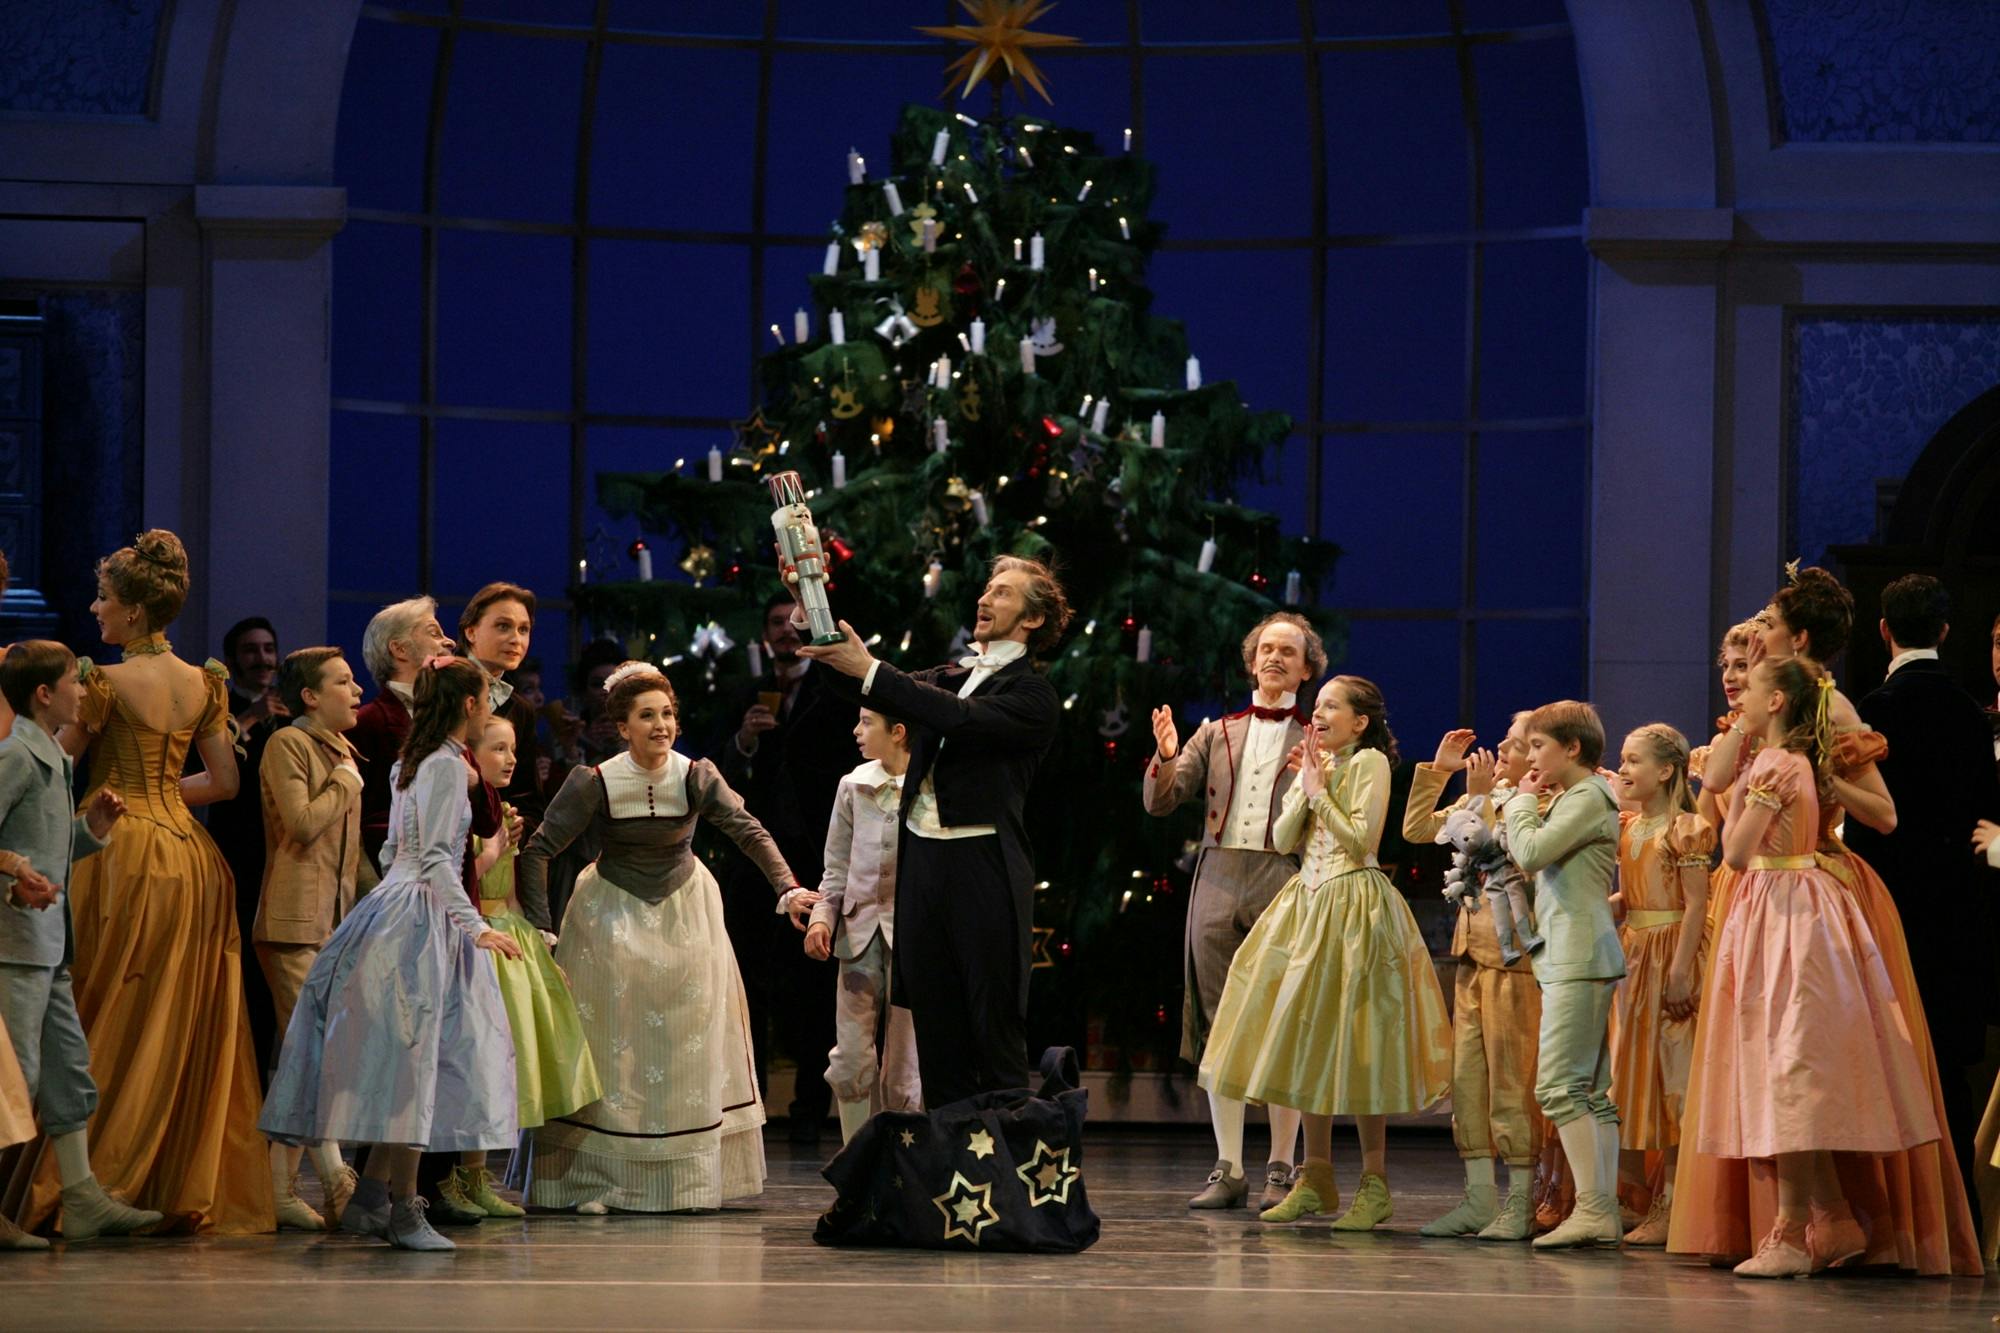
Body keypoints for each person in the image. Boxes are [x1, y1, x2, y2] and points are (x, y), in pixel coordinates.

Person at [14, 531, 273, 1236]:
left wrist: (115, 800)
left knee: (98, 1008)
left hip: (118, 852)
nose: (95, 609)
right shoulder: (205, 682)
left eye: (103, 598)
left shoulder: (102, 680)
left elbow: (55, 768)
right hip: (191, 860)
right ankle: (160, 1173)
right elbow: (223, 781)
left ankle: (82, 1175)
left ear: (130, 611)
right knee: (176, 1019)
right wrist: (161, 793)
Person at [258, 656, 523, 1252]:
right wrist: (473, 926)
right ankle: (406, 1208)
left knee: (411, 1060)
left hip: (399, 906)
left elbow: (392, 853)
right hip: (424, 915)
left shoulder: (413, 761)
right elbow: (433, 859)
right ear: (469, 707)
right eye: (487, 700)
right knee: (418, 1065)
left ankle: (371, 1196)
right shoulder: (446, 766)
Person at [517, 664, 800, 1213]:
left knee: (682, 1042)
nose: (662, 724)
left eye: (668, 713)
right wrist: (540, 927)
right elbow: (539, 850)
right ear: (622, 726)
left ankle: (686, 1182)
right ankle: (594, 1180)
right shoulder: (596, 781)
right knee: (610, 1044)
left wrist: (788, 889)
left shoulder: (695, 774)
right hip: (609, 916)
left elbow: (749, 831)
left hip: (684, 913)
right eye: (647, 715)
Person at [1693, 655, 1940, 1277]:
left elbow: (1737, 852)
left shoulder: (1776, 765)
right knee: (1789, 1063)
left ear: (1777, 701)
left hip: (1784, 912)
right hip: (1797, 905)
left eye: (1749, 688)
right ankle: (1828, 1220)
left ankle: (1791, 1235)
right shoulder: (1796, 761)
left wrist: (1748, 799)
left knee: (1789, 1066)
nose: (1739, 699)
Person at [799, 555, 1069, 1107]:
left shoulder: (1033, 695)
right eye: (986, 590)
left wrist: (873, 669)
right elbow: (858, 688)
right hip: (923, 867)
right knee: (937, 1032)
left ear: (1033, 618)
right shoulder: (949, 677)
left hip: (984, 867)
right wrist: (812, 604)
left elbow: (959, 719)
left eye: (1001, 594)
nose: (984, 600)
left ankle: (1006, 1172)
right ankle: (951, 1179)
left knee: (993, 1028)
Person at [1200, 675, 1451, 1232]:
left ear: (1360, 722)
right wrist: (1305, 784)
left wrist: (1319, 792)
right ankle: (1315, 1177)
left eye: (1331, 706)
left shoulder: (1369, 764)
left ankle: (1374, 1182)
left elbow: (1362, 840)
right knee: (1306, 1038)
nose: (1318, 714)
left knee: (1361, 1042)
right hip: (1306, 906)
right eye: (1318, 705)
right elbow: (1287, 839)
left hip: (1353, 906)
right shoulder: (1323, 763)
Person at [1144, 612, 1320, 1211]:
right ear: (1252, 663)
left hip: (1284, 874)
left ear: (1306, 668)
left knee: (1279, 1019)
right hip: (1218, 873)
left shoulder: (1319, 737)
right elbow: (1163, 801)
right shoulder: (1216, 732)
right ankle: (1228, 1166)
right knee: (1219, 1022)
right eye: (1266, 649)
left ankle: (1278, 1166)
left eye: (1287, 652)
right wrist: (1167, 756)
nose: (1275, 659)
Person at [1843, 574, 2000, 1222]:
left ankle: (1892, 1218)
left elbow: (1862, 827)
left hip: (1889, 911)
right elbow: (1984, 815)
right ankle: (1955, 1216)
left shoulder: (1871, 709)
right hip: (1960, 915)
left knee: (1888, 1062)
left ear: (1883, 630)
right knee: (1951, 1069)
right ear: (1944, 631)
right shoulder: (1970, 712)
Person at [0, 641, 160, 1250]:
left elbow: (50, 847)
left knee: (67, 1071)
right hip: (15, 945)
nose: (82, 691)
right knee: (13, 1080)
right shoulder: (17, 757)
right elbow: (16, 852)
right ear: (45, 694)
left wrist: (91, 831)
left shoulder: (54, 762)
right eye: (73, 681)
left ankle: (82, 1194)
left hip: (47, 946)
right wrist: (17, 872)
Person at [719, 594, 856, 1145]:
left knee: (813, 986)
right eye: (774, 623)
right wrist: (746, 741)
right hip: (755, 862)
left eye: (791, 624)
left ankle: (807, 1109)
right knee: (749, 979)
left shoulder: (832, 693)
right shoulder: (745, 695)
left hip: (815, 853)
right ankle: (746, 1105)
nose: (783, 632)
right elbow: (718, 773)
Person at [1404, 713, 1547, 1241]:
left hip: (1515, 961)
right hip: (1471, 955)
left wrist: (1482, 799)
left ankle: (1520, 1202)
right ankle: (1478, 1197)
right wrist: (1439, 773)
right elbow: (1416, 829)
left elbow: (1513, 861)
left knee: (1513, 1080)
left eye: (1510, 746)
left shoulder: (1540, 803)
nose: (1497, 754)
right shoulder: (1488, 796)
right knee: (1467, 1082)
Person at [449, 713, 599, 1214]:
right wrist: (493, 848)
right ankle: (458, 1178)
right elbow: (461, 879)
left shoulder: (507, 812)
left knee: (508, 1060)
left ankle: (478, 1176)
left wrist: (540, 949)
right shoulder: (456, 812)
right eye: (497, 749)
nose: (510, 759)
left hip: (507, 936)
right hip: (470, 936)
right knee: (473, 1064)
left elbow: (510, 897)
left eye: (513, 748)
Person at [1500, 700, 1625, 1251]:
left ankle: (1596, 1208)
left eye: (1538, 746)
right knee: (1589, 1092)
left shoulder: (1589, 795)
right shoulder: (1577, 796)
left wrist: (1522, 803)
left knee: (1559, 1087)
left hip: (1580, 954)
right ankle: (1599, 1209)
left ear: (1572, 749)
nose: (1531, 759)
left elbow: (1530, 852)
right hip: (1572, 955)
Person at [252, 647, 366, 1231]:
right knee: (316, 1054)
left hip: (334, 927)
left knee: (300, 1060)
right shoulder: (288, 745)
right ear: (310, 697)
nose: (356, 691)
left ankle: (279, 1190)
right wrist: (346, 782)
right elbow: (300, 824)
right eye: (343, 682)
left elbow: (354, 859)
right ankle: (336, 1175)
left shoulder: (344, 753)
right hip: (294, 924)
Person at [1605, 724, 1710, 1246]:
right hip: (1637, 953)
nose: (1623, 770)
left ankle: (1673, 1200)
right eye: (1622, 761)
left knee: (1675, 1077)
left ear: (1666, 771)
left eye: (1633, 761)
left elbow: (1696, 903)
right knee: (1636, 1070)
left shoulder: (1686, 828)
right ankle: (1635, 1194)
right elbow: (1630, 895)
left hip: (1671, 951)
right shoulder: (1630, 827)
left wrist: (1681, 968)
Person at [804, 706, 922, 1145]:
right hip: (859, 938)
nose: (856, 730)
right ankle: (856, 1163)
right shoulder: (853, 786)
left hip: (911, 940)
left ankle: (902, 1167)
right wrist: (822, 918)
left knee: (905, 1065)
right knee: (851, 1057)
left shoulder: (929, 786)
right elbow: (835, 867)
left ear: (898, 731)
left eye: (867, 722)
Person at [208, 616, 288, 1075]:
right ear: (234, 658)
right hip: (236, 852)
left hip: (282, 854)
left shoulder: (291, 712)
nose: (262, 658)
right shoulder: (221, 707)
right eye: (251, 650)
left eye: (268, 648)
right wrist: (254, 717)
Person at [351, 596, 457, 877]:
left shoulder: (451, 720)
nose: (450, 642)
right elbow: (365, 817)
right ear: (399, 649)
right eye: (434, 633)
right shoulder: (368, 722)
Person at [458, 583, 549, 834]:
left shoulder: (521, 709)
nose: (515, 639)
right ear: (471, 631)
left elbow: (529, 798)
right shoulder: (441, 689)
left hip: (499, 847)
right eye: (503, 626)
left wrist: (519, 825)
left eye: (524, 630)